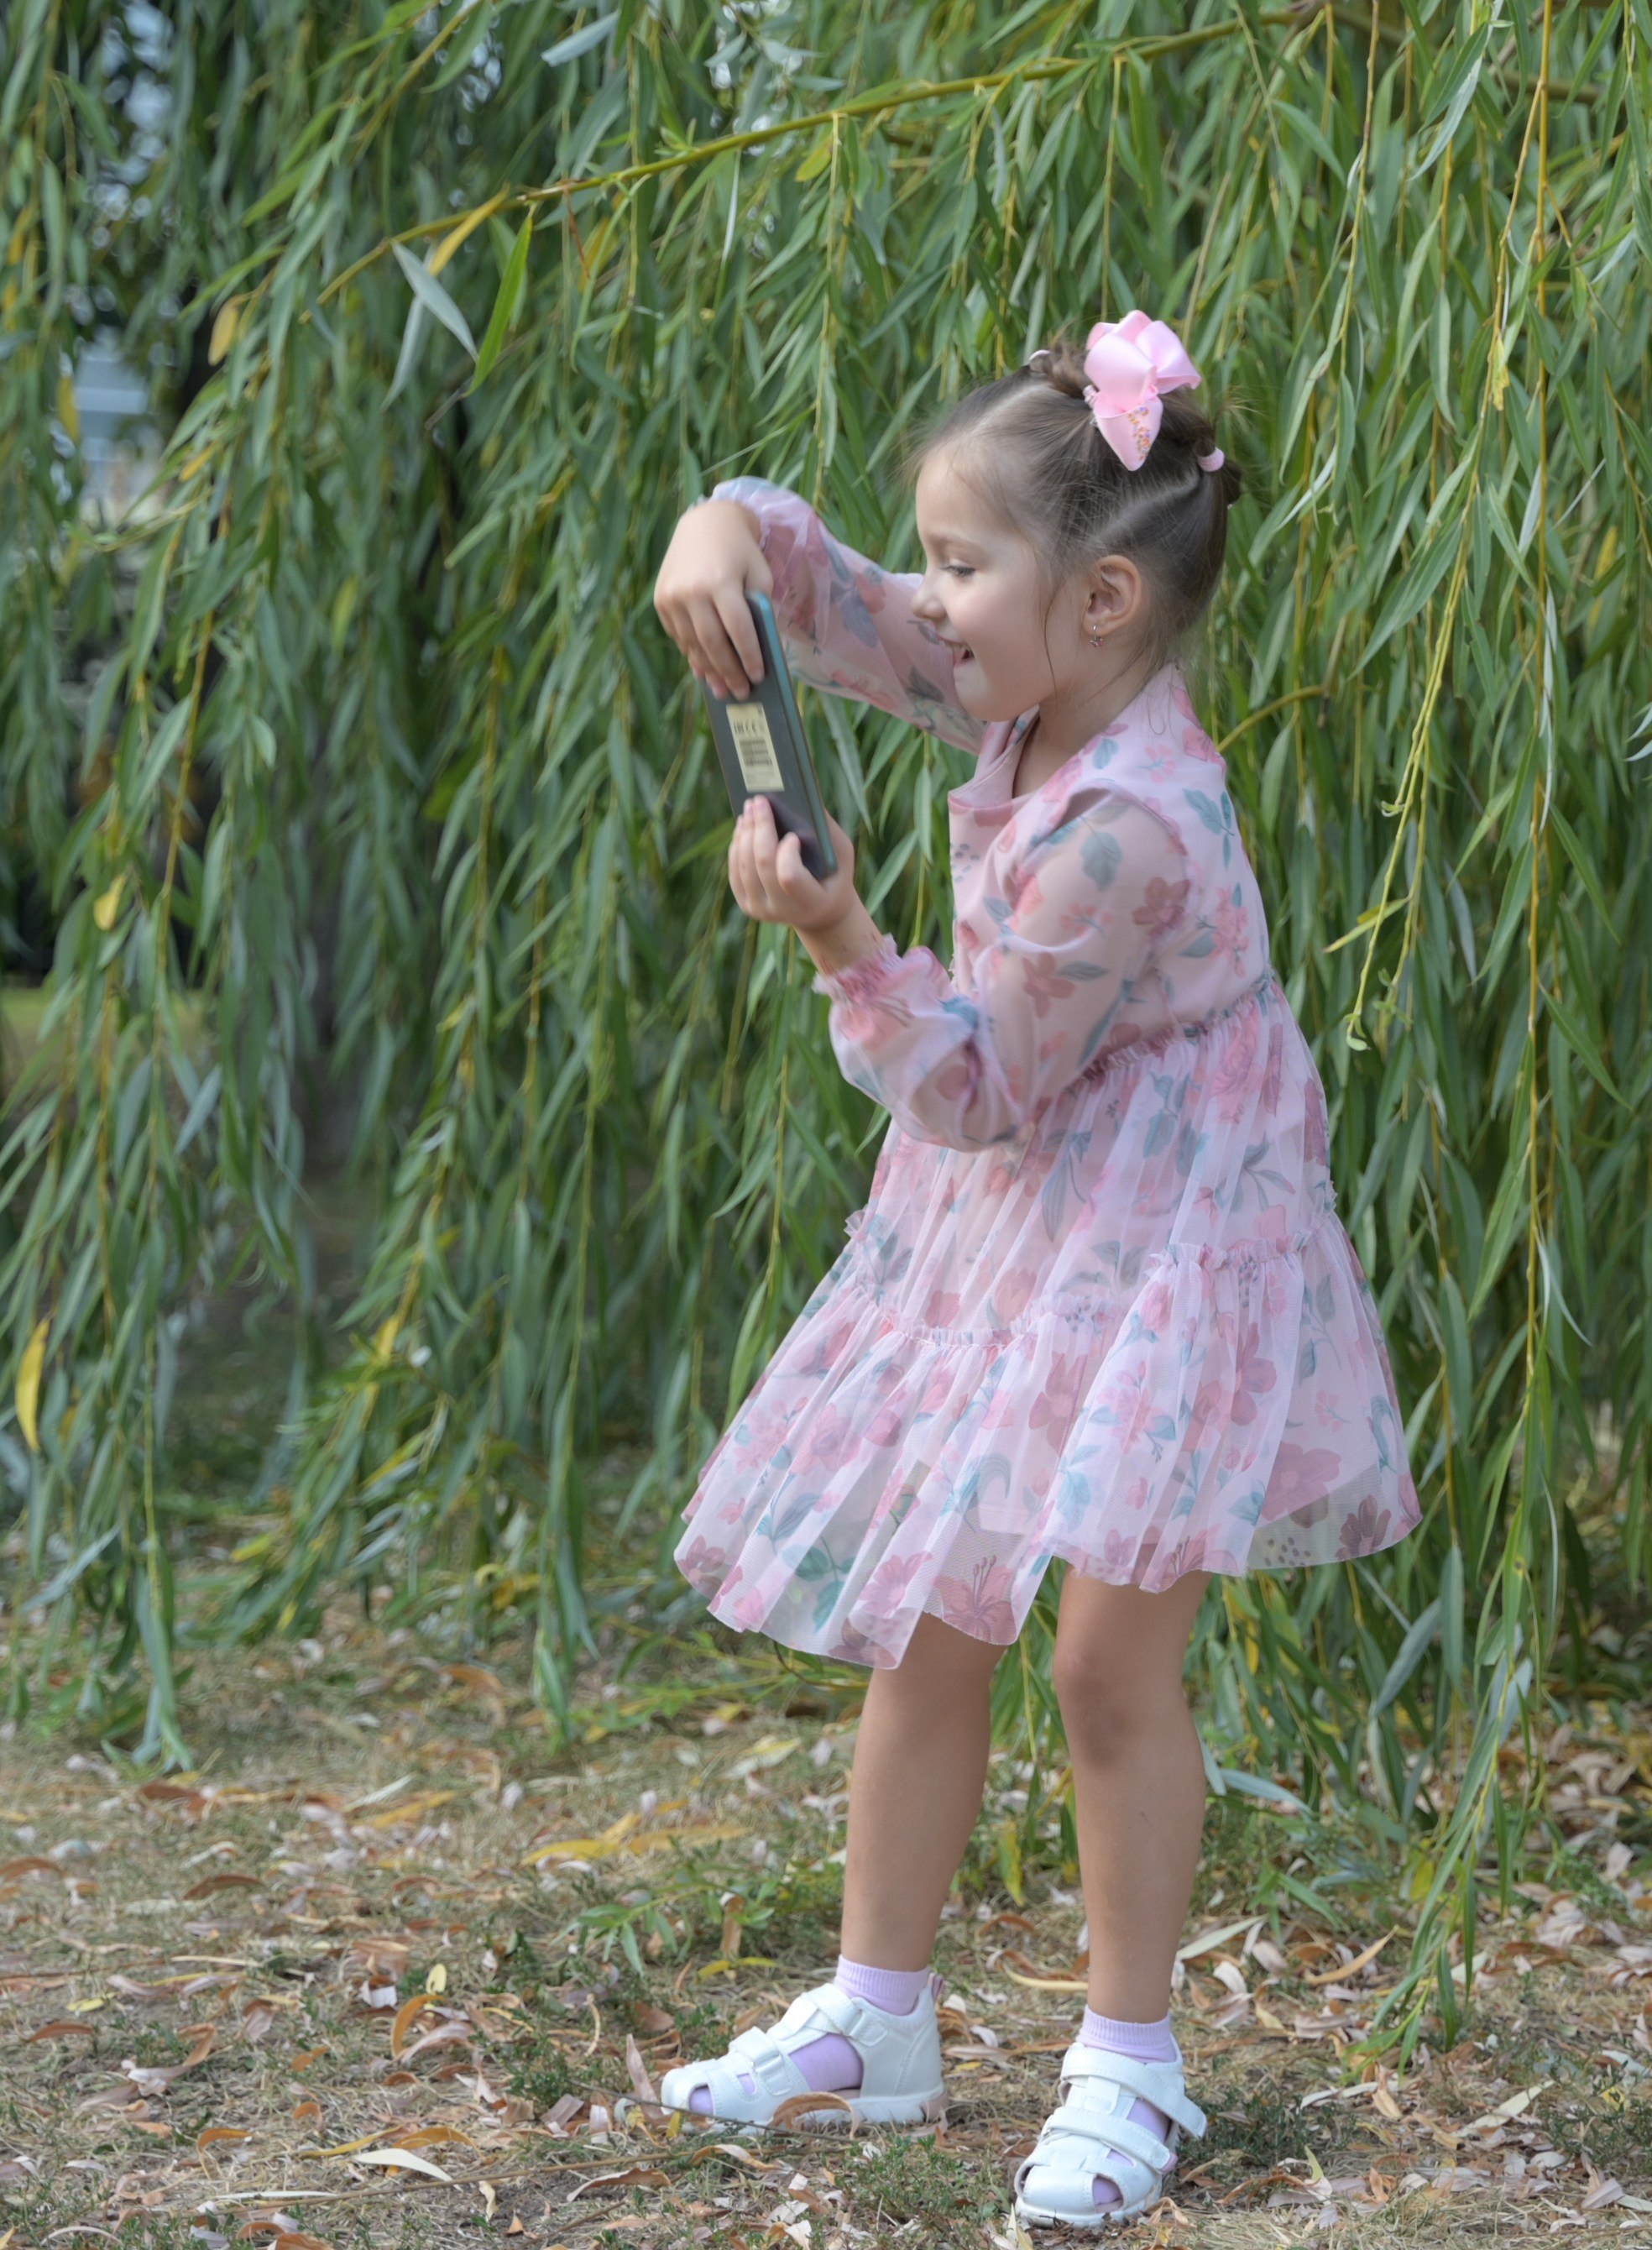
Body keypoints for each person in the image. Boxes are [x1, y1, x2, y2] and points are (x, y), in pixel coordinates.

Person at [650, 310, 1420, 2231]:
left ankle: (1127, 2063)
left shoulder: (1125, 827)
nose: (932, 596)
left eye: (966, 564)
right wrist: (724, 529)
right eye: (933, 552)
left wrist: (841, 934)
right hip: (1035, 1219)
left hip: (1168, 1240)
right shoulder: (1027, 675)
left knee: (1103, 1658)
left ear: (1093, 601)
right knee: (936, 1606)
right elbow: (837, 609)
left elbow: (979, 1082)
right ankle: (877, 2021)